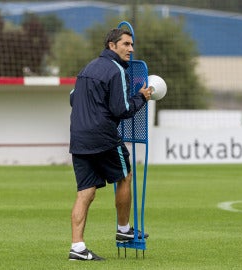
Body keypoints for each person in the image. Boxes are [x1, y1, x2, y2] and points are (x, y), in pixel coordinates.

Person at [68, 28, 152, 261]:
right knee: (124, 177)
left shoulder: (87, 68)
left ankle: (77, 247)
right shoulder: (117, 70)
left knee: (85, 192)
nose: (131, 49)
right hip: (103, 136)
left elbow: (73, 98)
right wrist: (142, 98)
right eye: (126, 44)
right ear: (111, 46)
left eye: (132, 44)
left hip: (79, 137)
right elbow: (121, 109)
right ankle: (124, 230)